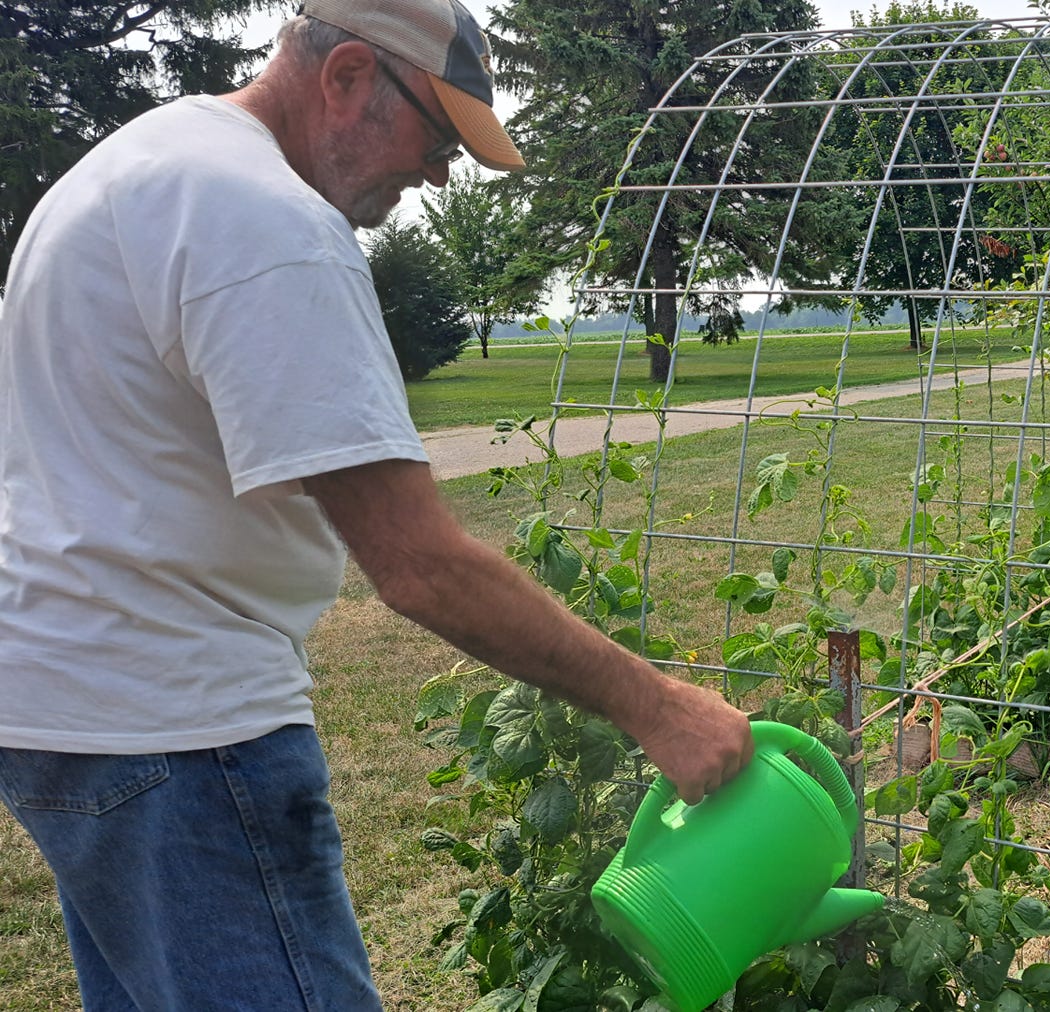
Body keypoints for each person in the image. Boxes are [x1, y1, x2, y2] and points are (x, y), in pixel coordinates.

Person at [0, 0, 754, 1008]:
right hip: (180, 732)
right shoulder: (268, 221)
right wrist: (660, 709)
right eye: (437, 137)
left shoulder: (136, 165)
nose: (438, 175)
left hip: (63, 719)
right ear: (348, 75)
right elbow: (418, 562)